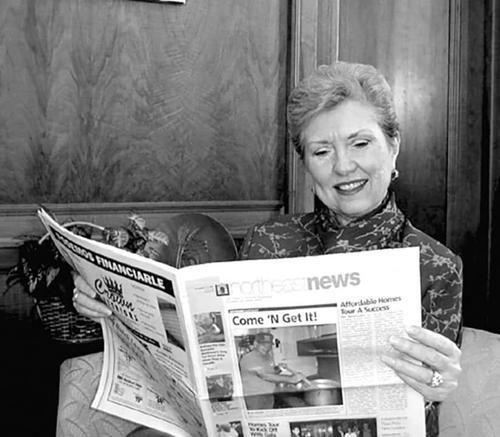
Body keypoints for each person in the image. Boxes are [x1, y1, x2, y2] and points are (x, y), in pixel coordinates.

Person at [72, 61, 462, 436]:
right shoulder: (268, 239)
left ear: (393, 145)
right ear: (306, 164)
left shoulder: (437, 266)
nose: (343, 166)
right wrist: (107, 303)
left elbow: (428, 400)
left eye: (360, 143)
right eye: (322, 151)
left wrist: (438, 384)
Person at [238, 332, 307, 410]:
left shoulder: (268, 356)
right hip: (254, 397)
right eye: (263, 345)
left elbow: (271, 372)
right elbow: (264, 375)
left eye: (269, 345)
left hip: (268, 395)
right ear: (255, 344)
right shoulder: (249, 358)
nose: (266, 348)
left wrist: (280, 368)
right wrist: (291, 379)